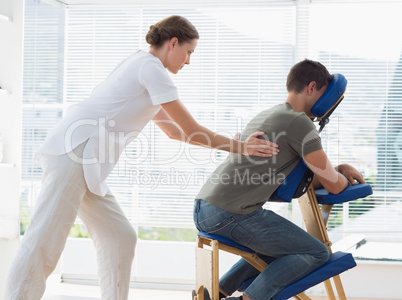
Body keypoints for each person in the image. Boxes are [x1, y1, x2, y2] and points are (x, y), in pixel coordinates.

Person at [3, 15, 279, 300]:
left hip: (87, 162)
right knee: (44, 239)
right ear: (173, 43)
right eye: (188, 52)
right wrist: (242, 147)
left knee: (120, 235)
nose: (188, 62)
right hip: (75, 152)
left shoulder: (144, 68)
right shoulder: (150, 68)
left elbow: (175, 132)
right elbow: (191, 130)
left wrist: (235, 144)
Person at [193, 59, 366, 300]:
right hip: (231, 212)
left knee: (288, 246)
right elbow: (333, 184)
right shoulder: (300, 123)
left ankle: (215, 293)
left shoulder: (271, 113)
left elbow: (300, 179)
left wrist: (338, 169)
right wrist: (344, 174)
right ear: (312, 87)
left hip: (206, 207)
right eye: (325, 94)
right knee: (316, 253)